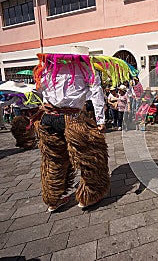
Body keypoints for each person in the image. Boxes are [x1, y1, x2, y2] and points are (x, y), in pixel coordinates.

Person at [33, 51, 111, 212]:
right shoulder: (87, 68)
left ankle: (53, 199)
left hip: (48, 118)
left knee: (53, 160)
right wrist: (101, 121)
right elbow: (96, 93)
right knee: (92, 157)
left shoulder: (47, 67)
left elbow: (40, 91)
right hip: (71, 118)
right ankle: (89, 196)